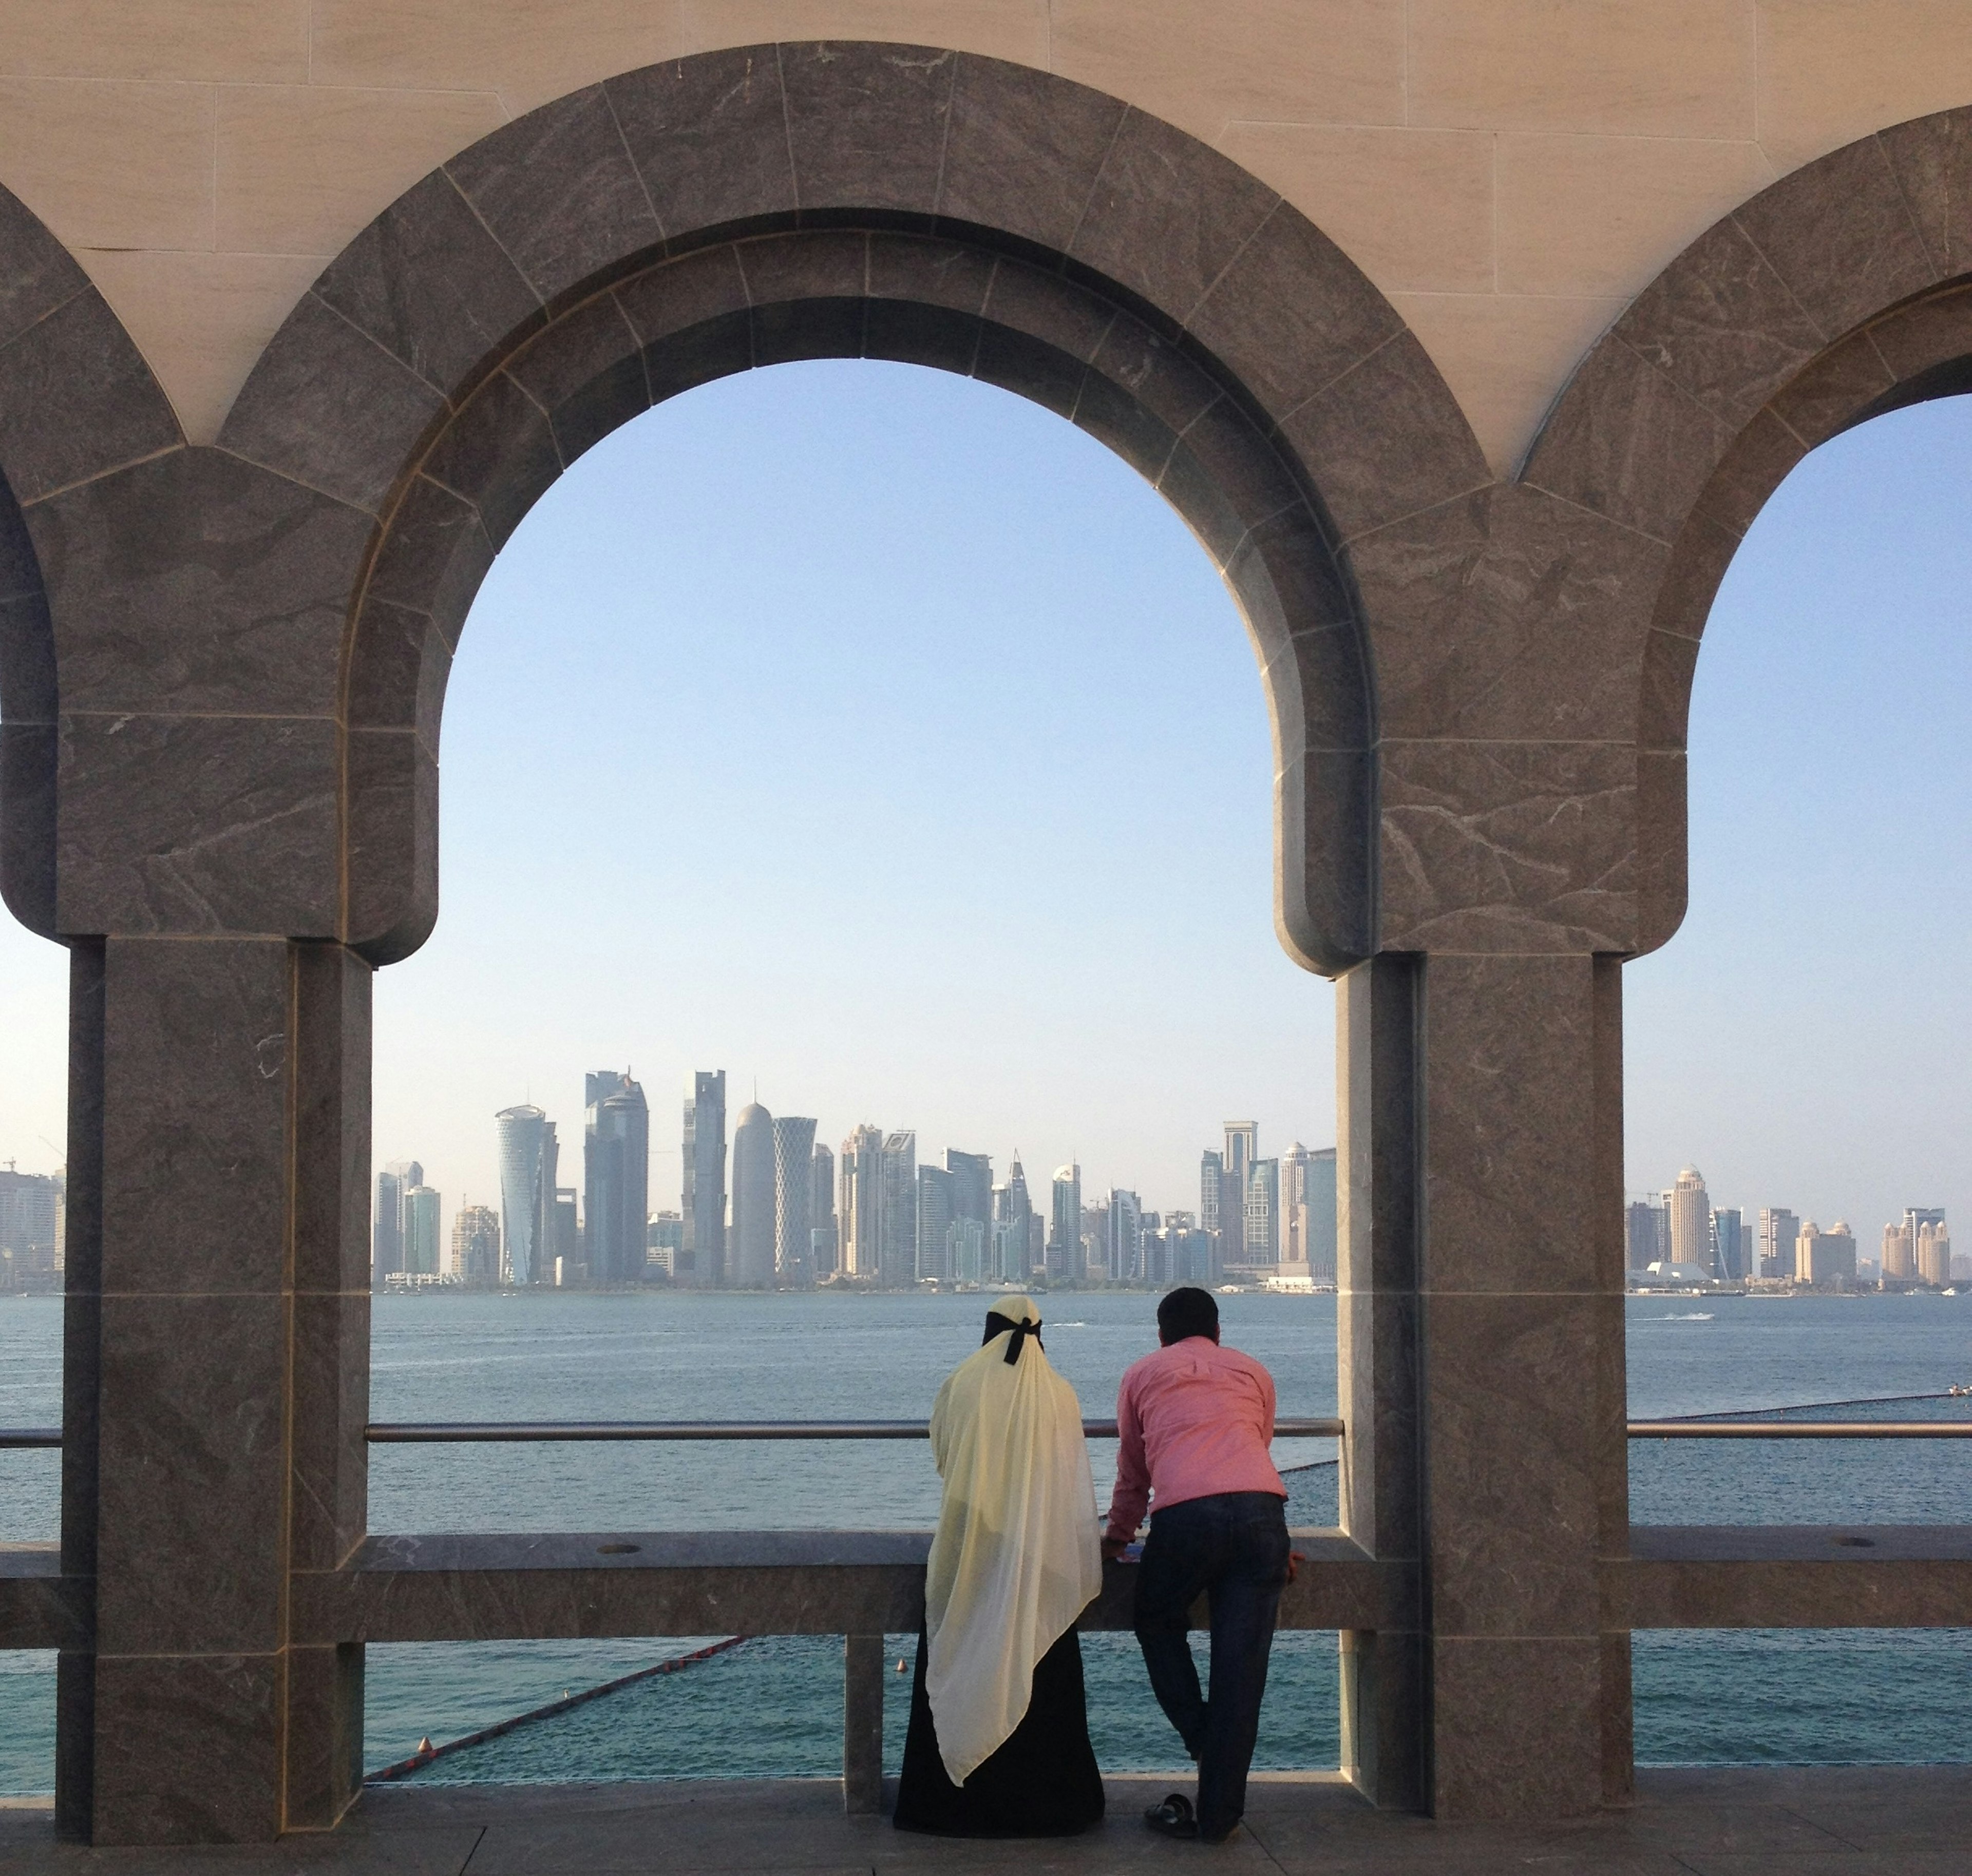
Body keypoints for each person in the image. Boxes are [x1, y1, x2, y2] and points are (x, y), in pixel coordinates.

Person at [893, 1294, 1106, 1836]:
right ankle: (1050, 1808)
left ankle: (950, 1804)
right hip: (1042, 1561)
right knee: (1040, 1667)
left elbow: (944, 1457)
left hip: (972, 1551)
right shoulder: (1060, 1394)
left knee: (960, 1656)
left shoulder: (962, 1383)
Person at [1104, 1287, 1290, 1844]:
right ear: (1218, 1331)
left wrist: (1116, 1537)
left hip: (1186, 1518)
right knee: (1242, 1673)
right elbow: (1252, 1451)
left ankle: (1202, 1733)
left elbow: (1134, 1475)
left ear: (1160, 1333)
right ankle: (1217, 1819)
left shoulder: (1142, 1374)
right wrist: (1276, 1544)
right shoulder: (1254, 1372)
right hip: (1263, 1516)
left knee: (1158, 1621)